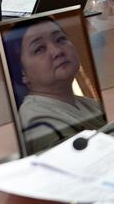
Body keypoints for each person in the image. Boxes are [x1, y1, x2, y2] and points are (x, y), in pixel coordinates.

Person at [10, 21, 105, 152]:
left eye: (60, 39)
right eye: (39, 49)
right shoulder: (38, 120)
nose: (57, 51)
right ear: (22, 73)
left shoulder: (90, 103)